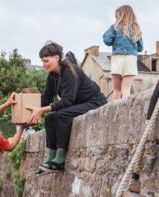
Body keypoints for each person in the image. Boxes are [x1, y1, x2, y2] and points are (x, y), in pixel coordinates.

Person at [26, 42, 106, 173]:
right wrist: (28, 111)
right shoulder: (52, 75)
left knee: (61, 115)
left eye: (46, 61)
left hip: (94, 102)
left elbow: (68, 101)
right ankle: (51, 157)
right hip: (80, 104)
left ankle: (60, 159)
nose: (43, 64)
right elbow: (45, 98)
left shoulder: (70, 71)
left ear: (57, 58)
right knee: (50, 118)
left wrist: (41, 110)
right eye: (42, 61)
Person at [102, 5, 144, 100]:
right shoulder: (136, 28)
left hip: (117, 58)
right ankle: (126, 110)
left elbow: (107, 40)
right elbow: (140, 48)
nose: (116, 19)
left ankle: (112, 112)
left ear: (121, 16)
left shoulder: (115, 27)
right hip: (131, 59)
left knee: (117, 89)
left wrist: (115, 41)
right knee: (126, 88)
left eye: (117, 17)